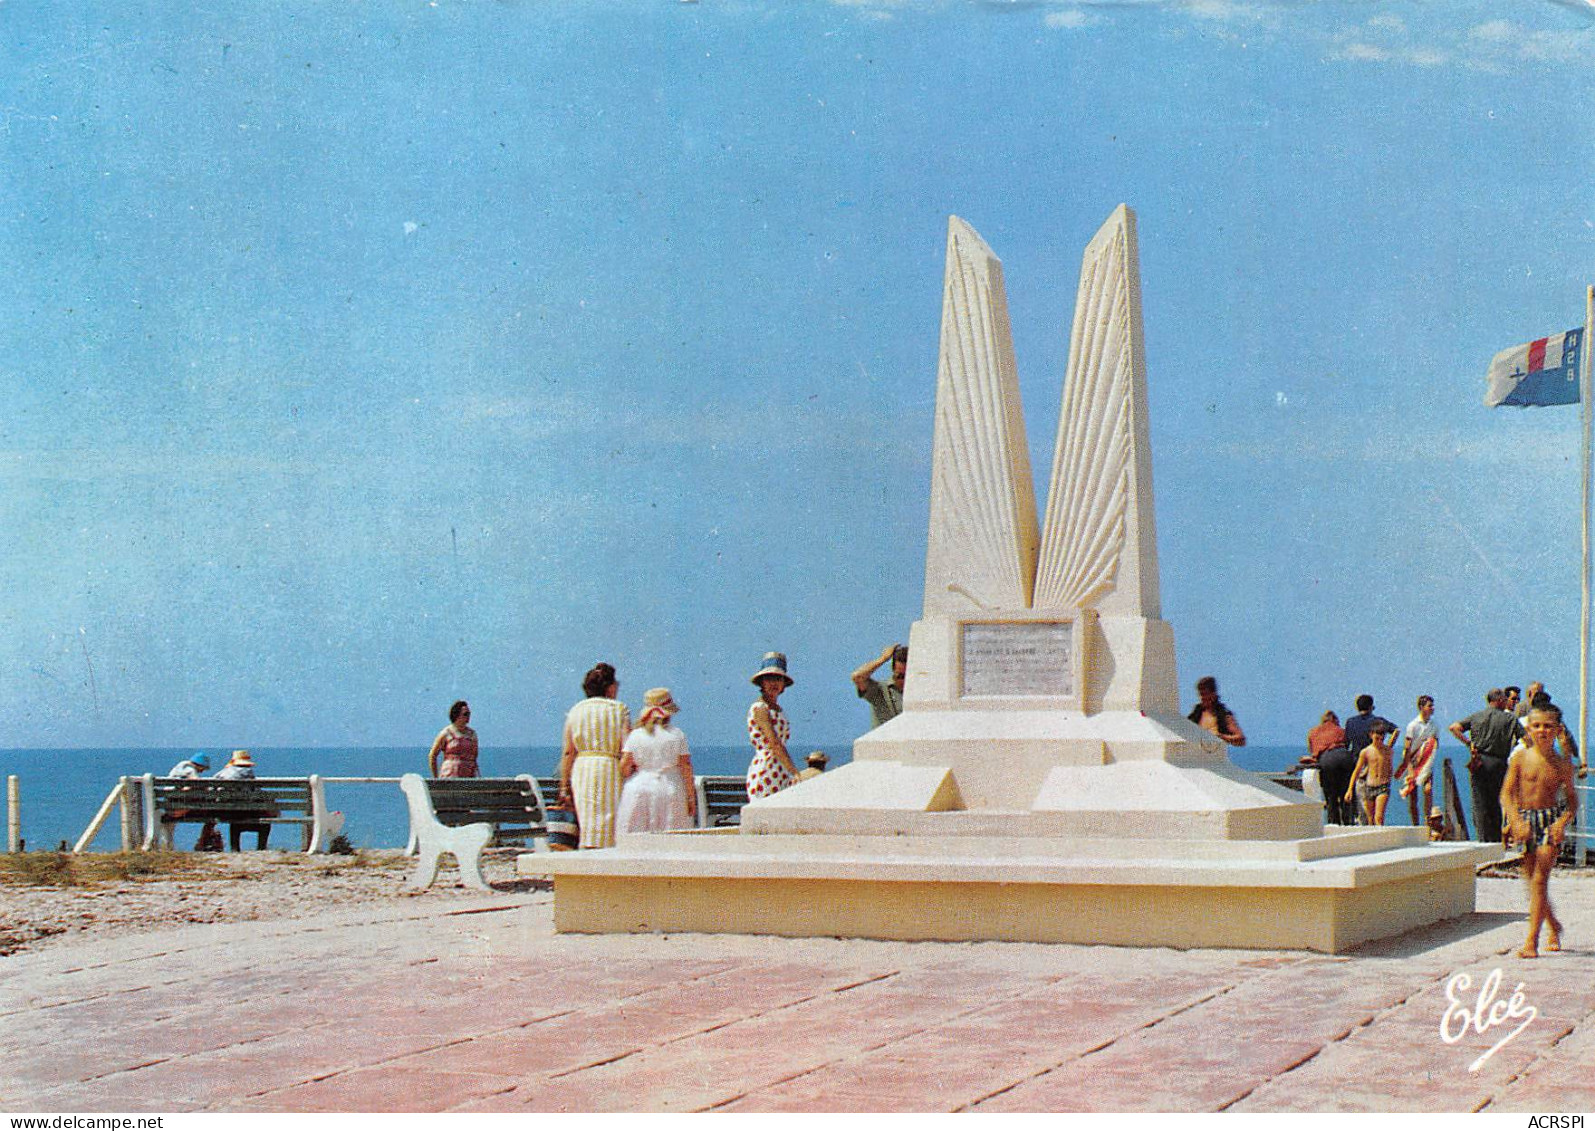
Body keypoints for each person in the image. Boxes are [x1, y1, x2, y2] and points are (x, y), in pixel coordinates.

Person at [1501, 703, 1577, 958]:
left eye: (1548, 726)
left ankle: (1531, 941)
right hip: (1525, 819)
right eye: (1536, 726)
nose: (1542, 731)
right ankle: (1554, 925)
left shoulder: (1562, 764)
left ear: (1557, 730)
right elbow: (1506, 794)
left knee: (1539, 879)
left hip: (1549, 820)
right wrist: (1515, 820)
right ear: (1529, 728)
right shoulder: (1521, 758)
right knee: (1532, 882)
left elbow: (1572, 802)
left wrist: (1561, 822)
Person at [559, 663, 631, 849]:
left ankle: (587, 853)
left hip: (583, 767)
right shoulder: (619, 709)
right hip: (609, 765)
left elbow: (568, 752)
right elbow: (627, 746)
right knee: (610, 818)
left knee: (587, 817)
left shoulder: (576, 710)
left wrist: (564, 786)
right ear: (610, 686)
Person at [1449, 689, 1523, 846]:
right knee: (1496, 803)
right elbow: (1527, 740)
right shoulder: (1510, 719)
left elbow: (1454, 728)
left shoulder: (1477, 716)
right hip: (1500, 763)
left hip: (1480, 761)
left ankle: (1483, 840)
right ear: (1499, 700)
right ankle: (1496, 841)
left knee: (1480, 803)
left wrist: (1469, 743)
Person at [616, 688, 696, 833]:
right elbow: (686, 766)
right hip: (670, 786)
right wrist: (690, 798)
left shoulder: (635, 735)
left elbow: (624, 766)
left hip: (640, 787)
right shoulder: (677, 734)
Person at [747, 651, 800, 799]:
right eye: (769, 679)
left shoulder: (777, 709)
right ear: (762, 682)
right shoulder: (760, 708)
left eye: (778, 679)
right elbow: (774, 743)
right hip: (766, 771)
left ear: (783, 684)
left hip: (780, 770)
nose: (774, 683)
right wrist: (795, 772)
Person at [1395, 695, 1440, 824]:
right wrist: (1409, 770)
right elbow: (1407, 749)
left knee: (1428, 789)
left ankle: (1428, 822)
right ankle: (1415, 824)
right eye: (1429, 706)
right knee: (1413, 796)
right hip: (1412, 762)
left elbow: (1434, 745)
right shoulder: (1413, 726)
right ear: (1421, 707)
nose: (1432, 708)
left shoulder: (1434, 725)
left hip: (1425, 763)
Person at [1305, 710, 1354, 824]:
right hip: (1344, 757)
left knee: (1331, 795)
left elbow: (1313, 750)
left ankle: (1334, 823)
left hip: (1327, 760)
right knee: (1346, 793)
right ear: (1335, 720)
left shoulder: (1313, 732)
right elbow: (1347, 744)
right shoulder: (1341, 731)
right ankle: (1348, 822)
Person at [215, 750, 269, 852]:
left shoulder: (223, 773)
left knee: (235, 815)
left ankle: (235, 848)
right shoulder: (249, 773)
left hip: (226, 811)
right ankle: (261, 848)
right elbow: (256, 793)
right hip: (246, 811)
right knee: (265, 822)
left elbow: (211, 788)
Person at [1347, 720, 1395, 826]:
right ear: (1371, 735)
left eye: (1381, 739)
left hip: (1382, 786)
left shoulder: (1388, 751)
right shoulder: (1366, 752)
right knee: (1370, 819)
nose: (1379, 741)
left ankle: (1382, 840)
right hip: (1369, 786)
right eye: (1376, 738)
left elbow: (1390, 768)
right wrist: (1350, 789)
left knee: (1379, 817)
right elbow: (1357, 771)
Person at [852, 643, 908, 729]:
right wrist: (883, 659)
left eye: (907, 676)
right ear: (893, 671)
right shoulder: (880, 691)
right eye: (900, 676)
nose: (904, 681)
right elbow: (858, 677)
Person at [1187, 676, 1245, 747]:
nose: (1203, 698)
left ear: (1213, 694)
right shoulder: (1196, 714)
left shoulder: (1224, 715)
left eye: (1205, 694)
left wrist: (1222, 737)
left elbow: (1241, 739)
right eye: (1201, 694)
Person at [427, 700, 479, 778]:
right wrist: (435, 778)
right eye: (465, 714)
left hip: (468, 776)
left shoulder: (472, 734)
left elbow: (474, 757)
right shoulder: (446, 733)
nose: (468, 717)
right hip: (449, 776)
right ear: (457, 715)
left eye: (469, 714)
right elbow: (432, 755)